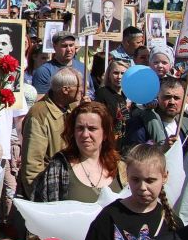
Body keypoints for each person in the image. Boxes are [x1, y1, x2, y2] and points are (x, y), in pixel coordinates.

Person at [78, 144, 177, 240]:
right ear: (126, 175)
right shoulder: (110, 217)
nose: (142, 187)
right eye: (136, 179)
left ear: (165, 177)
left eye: (150, 180)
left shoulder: (173, 222)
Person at [33, 101, 125, 203]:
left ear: (105, 134)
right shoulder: (59, 167)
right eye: (80, 128)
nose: (85, 134)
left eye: (92, 129)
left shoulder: (122, 169)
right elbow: (43, 210)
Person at [18, 68, 81, 197]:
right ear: (65, 90)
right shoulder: (39, 114)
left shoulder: (73, 110)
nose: (83, 91)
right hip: (49, 191)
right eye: (79, 88)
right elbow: (32, 164)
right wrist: (36, 196)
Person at [123, 77, 188, 150]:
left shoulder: (187, 127)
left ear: (183, 101)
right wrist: (161, 149)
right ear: (157, 97)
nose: (172, 102)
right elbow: (132, 158)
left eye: (176, 98)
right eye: (167, 97)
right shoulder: (139, 125)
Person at [31, 31, 86, 96]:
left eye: (71, 45)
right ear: (54, 47)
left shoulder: (82, 68)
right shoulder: (44, 71)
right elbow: (40, 100)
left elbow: (91, 92)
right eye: (64, 46)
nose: (69, 49)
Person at [94, 59, 130, 148]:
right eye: (116, 73)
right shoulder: (102, 93)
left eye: (123, 73)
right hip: (108, 143)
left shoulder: (127, 95)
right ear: (109, 74)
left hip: (124, 144)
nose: (119, 77)